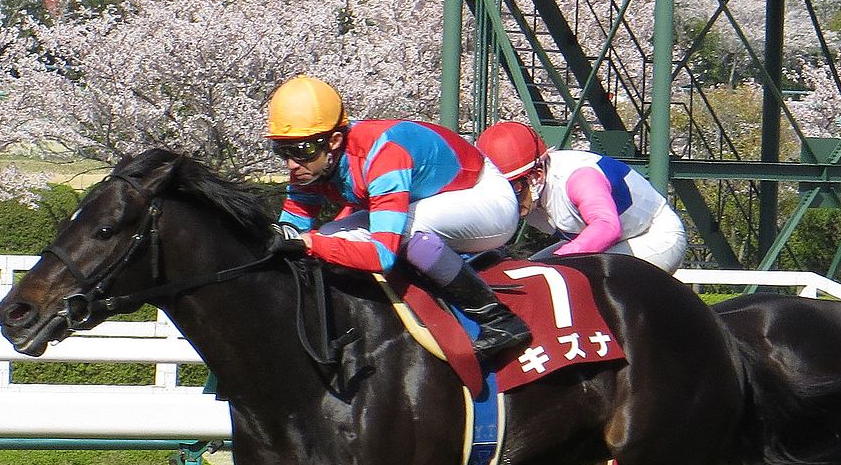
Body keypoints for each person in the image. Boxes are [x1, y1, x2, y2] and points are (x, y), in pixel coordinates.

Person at [264, 74, 531, 363]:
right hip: (432, 199)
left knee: (403, 233)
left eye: (302, 150)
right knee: (330, 234)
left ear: (335, 141)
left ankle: (499, 319)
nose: (292, 164)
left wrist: (308, 244)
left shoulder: (383, 156)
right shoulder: (313, 164)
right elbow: (291, 230)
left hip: (488, 199)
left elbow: (382, 255)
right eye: (283, 151)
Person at [475, 121, 690, 274]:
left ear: (537, 176)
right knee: (531, 276)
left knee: (574, 277)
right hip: (611, 243)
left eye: (513, 188)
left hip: (654, 235)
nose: (507, 200)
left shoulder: (579, 178)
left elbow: (607, 226)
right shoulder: (529, 190)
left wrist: (561, 258)